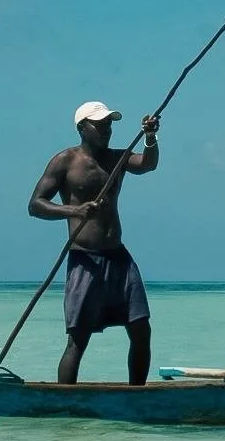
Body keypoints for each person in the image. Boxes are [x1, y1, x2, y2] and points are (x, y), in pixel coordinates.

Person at [28, 101, 161, 385]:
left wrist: (150, 137)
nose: (106, 130)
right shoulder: (65, 161)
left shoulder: (118, 158)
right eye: (99, 125)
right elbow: (35, 205)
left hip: (119, 257)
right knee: (78, 338)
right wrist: (74, 211)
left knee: (141, 329)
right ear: (81, 128)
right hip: (85, 260)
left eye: (109, 124)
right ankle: (65, 405)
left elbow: (147, 164)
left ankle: (136, 396)